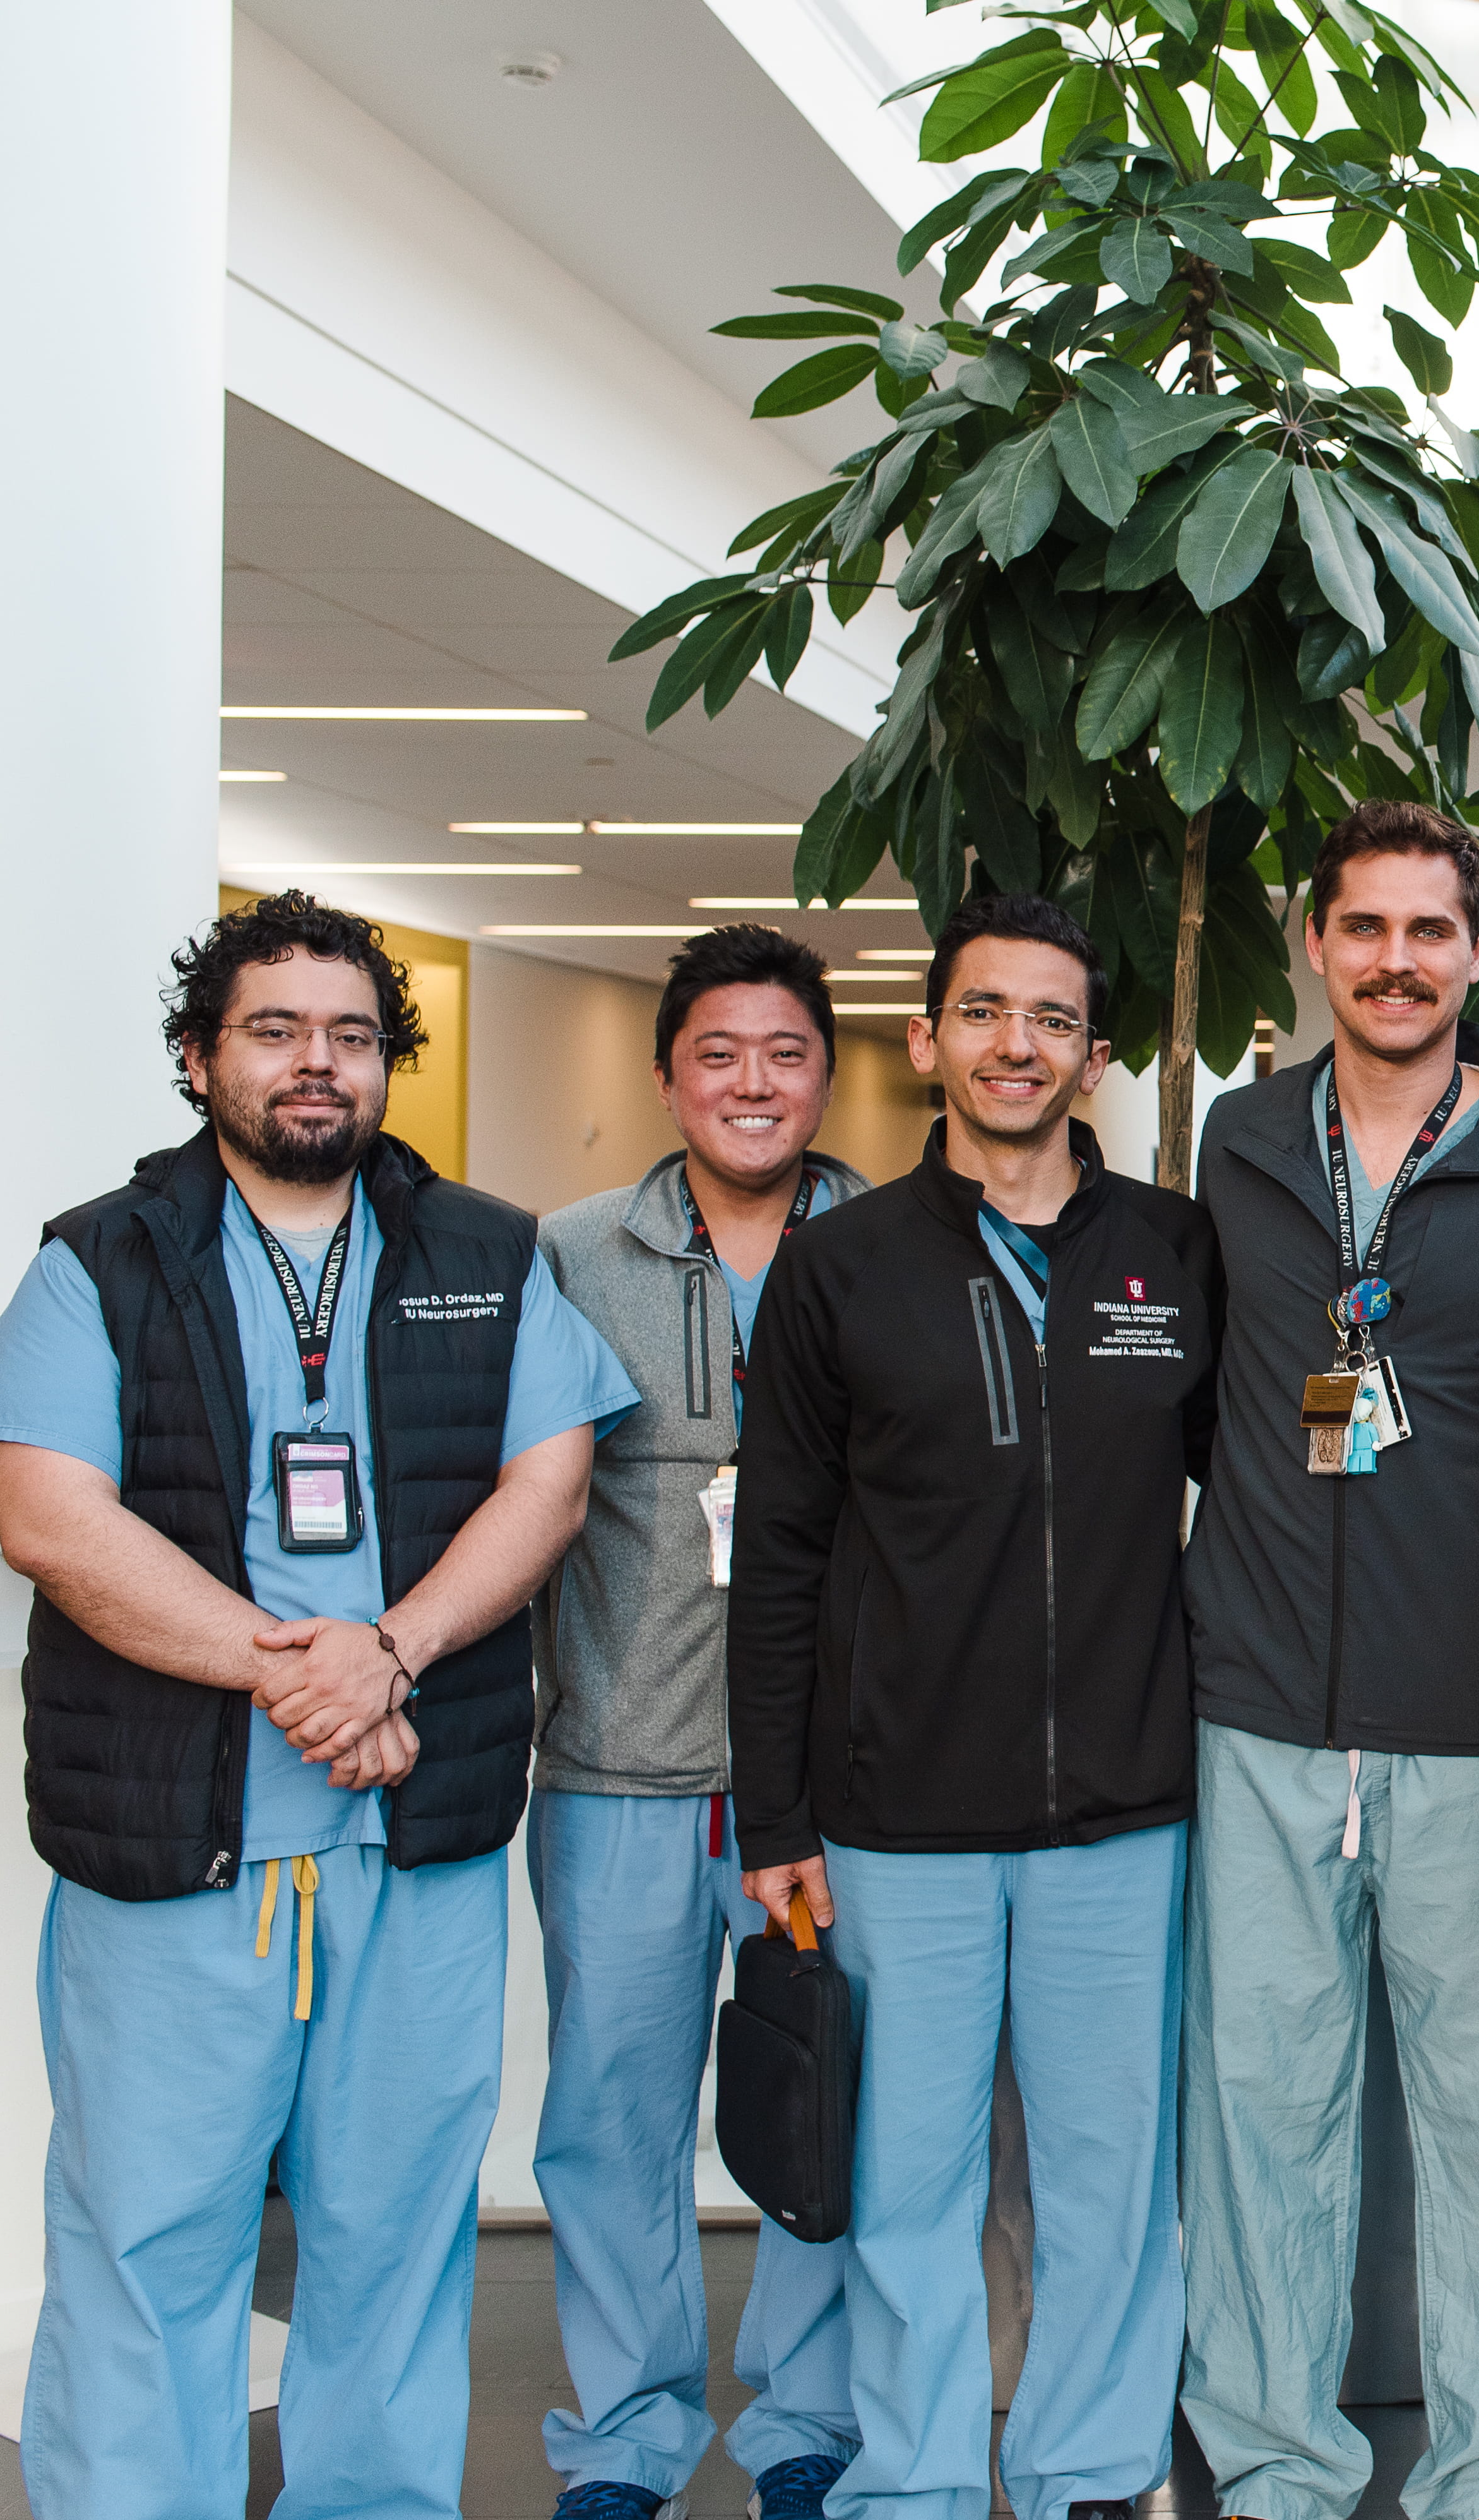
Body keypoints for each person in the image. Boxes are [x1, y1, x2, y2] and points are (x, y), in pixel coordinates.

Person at [0, 890, 634, 2517]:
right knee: (152, 2241)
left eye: (351, 1035)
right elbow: (50, 1517)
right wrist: (307, 1674)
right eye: (275, 1030)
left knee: (397, 2240)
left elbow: (550, 1480)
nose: (316, 1064)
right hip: (176, 1862)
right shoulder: (101, 1260)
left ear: (386, 1062)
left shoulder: (486, 1251)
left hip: (410, 1854)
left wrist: (394, 1651)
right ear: (203, 1054)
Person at [728, 892, 1219, 2520]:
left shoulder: (1171, 1251)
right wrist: (778, 1816)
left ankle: (1089, 2474)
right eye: (988, 1013)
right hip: (897, 1825)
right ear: (931, 1037)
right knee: (908, 2186)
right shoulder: (839, 1267)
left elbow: (1270, 1498)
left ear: (1095, 1056)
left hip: (1124, 1818)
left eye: (1056, 1020)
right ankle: (917, 2487)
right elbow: (782, 1557)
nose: (1021, 1046)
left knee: (1107, 2186)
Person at [1178, 802, 1479, 2520]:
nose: (1395, 959)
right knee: (1260, 2114)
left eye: (1428, 929)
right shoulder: (1239, 1143)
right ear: (1315, 942)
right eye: (1364, 927)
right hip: (1261, 1714)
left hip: (1474, 1734)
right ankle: (1279, 2468)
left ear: (1477, 950)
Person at [532, 925, 871, 2520]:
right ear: (668, 1075)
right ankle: (628, 2436)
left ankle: (808, 2427)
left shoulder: (892, 1246)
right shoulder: (568, 1254)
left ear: (826, 1072)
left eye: (784, 1052)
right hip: (624, 1761)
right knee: (613, 2116)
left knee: (827, 2104)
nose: (752, 1081)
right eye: (717, 1054)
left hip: (842, 1775)